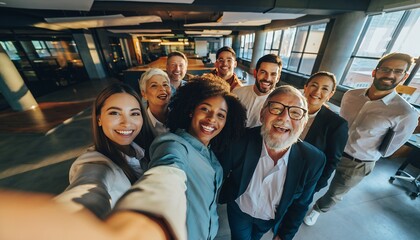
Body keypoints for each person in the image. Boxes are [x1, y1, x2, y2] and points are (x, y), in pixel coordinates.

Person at [119, 75, 247, 239]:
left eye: (220, 115)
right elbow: (166, 173)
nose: (211, 119)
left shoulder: (210, 152)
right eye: (205, 109)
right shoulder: (173, 145)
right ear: (190, 111)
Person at [304, 52, 419, 226]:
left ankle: (318, 210)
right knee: (314, 180)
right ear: (375, 71)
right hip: (330, 150)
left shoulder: (406, 113)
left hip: (358, 161)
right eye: (386, 69)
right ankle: (303, 201)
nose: (390, 75)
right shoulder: (351, 95)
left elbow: (389, 150)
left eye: (397, 71)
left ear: (404, 77)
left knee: (335, 193)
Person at [218, 85, 326, 240]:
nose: (284, 117)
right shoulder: (238, 141)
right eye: (276, 108)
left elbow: (301, 205)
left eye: (295, 112)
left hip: (268, 220)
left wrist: (284, 235)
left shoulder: (313, 160)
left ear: (303, 122)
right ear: (262, 114)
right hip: (239, 211)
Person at [55, 83, 148, 219]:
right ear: (99, 119)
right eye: (115, 113)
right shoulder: (96, 163)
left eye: (134, 113)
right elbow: (87, 188)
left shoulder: (141, 149)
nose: (126, 123)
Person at [301, 71, 348, 192]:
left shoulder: (337, 124)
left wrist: (315, 186)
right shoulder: (288, 110)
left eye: (325, 89)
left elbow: (332, 160)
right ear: (305, 87)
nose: (317, 92)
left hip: (304, 179)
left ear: (330, 95)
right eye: (314, 85)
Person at [232, 54, 282, 127]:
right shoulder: (237, 94)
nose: (267, 78)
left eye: (273, 74)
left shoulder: (279, 106)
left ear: (278, 78)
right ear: (255, 73)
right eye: (263, 72)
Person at [135, 68, 171, 159]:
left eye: (165, 84)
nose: (162, 89)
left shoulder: (182, 117)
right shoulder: (139, 124)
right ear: (144, 94)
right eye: (154, 86)